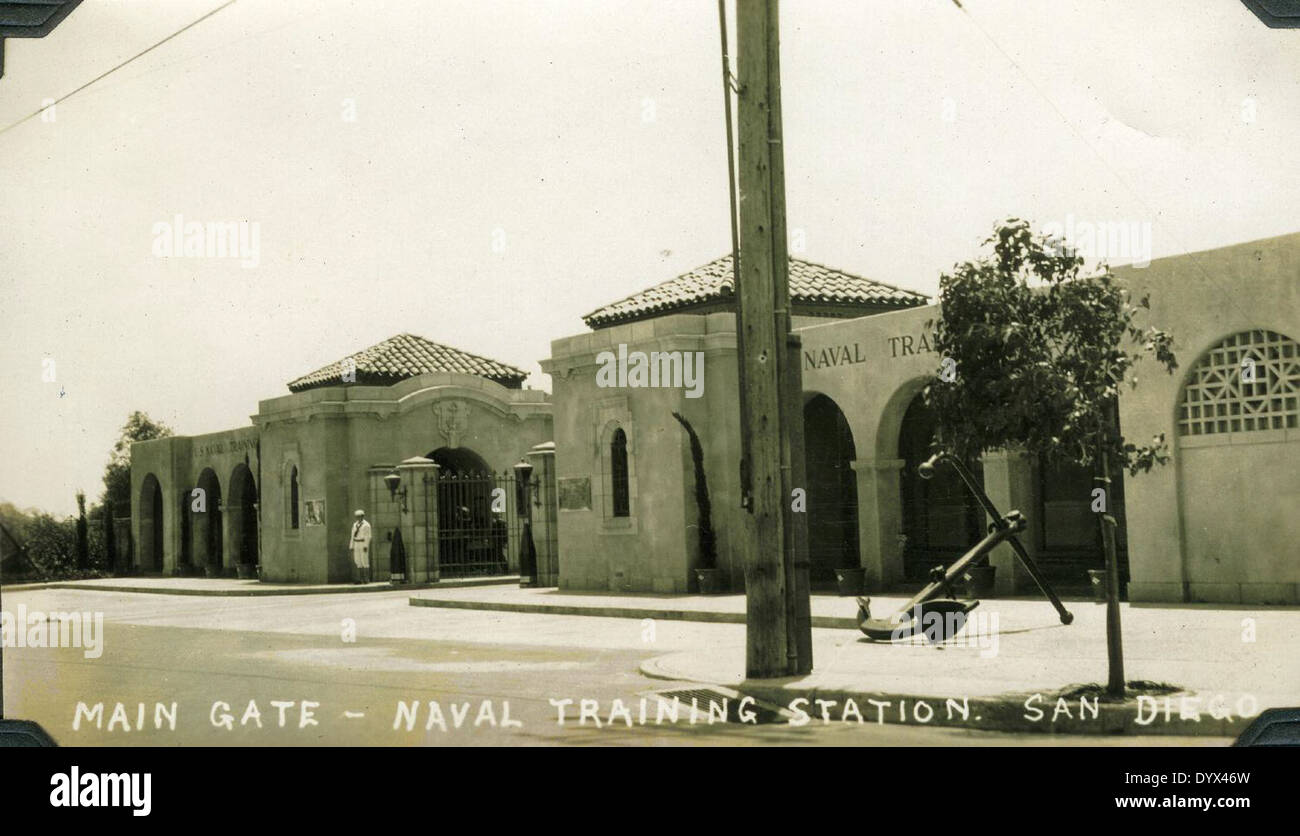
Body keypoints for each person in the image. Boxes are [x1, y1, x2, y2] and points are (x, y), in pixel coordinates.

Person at [349, 509, 372, 584]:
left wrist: (366, 545)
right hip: (356, 543)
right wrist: (351, 545)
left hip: (363, 543)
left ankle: (366, 579)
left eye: (360, 516)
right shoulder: (355, 525)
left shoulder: (366, 525)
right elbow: (352, 535)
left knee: (364, 561)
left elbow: (368, 536)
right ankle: (359, 579)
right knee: (357, 561)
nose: (358, 518)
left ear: (363, 516)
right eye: (357, 517)